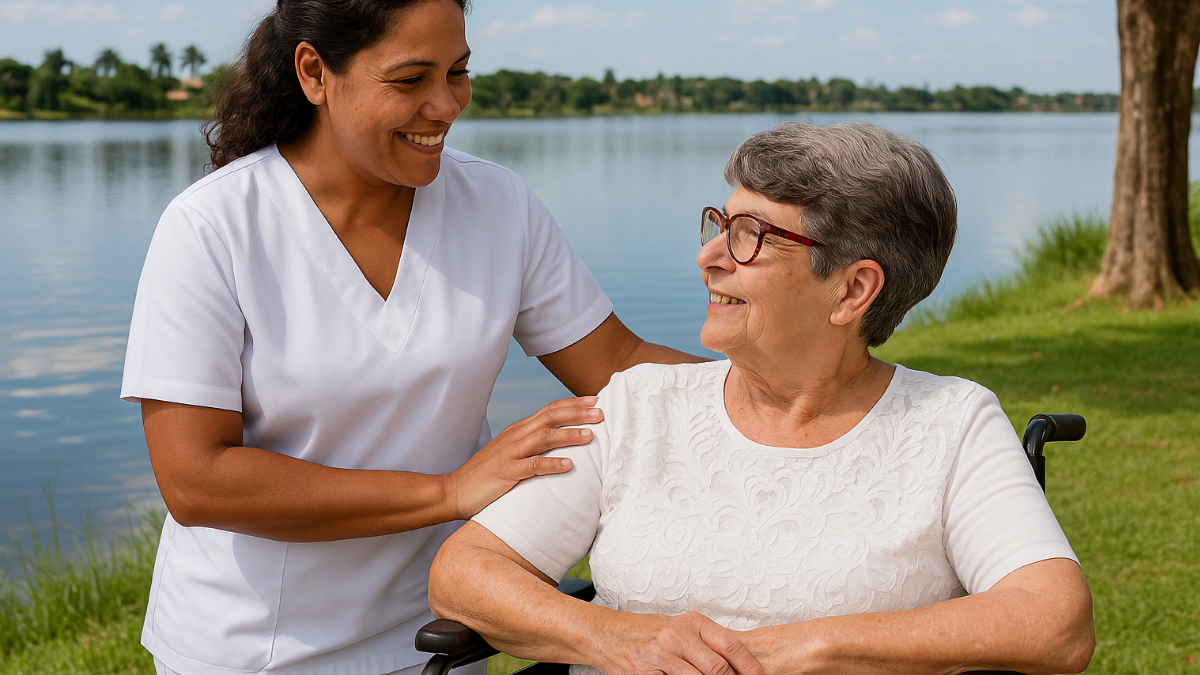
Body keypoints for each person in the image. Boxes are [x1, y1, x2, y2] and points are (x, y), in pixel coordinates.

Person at [119, 1, 699, 674]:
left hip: (435, 636)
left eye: (458, 72)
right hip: (254, 648)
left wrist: (806, 398)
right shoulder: (212, 227)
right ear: (314, 72)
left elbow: (619, 364)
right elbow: (197, 479)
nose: (447, 104)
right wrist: (449, 491)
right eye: (410, 79)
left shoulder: (498, 205)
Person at [429, 122, 1095, 675]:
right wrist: (609, 635)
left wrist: (812, 643)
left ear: (853, 290)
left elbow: (1053, 620)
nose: (709, 257)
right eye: (718, 224)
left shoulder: (950, 422)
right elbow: (465, 570)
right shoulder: (641, 405)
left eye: (751, 235)